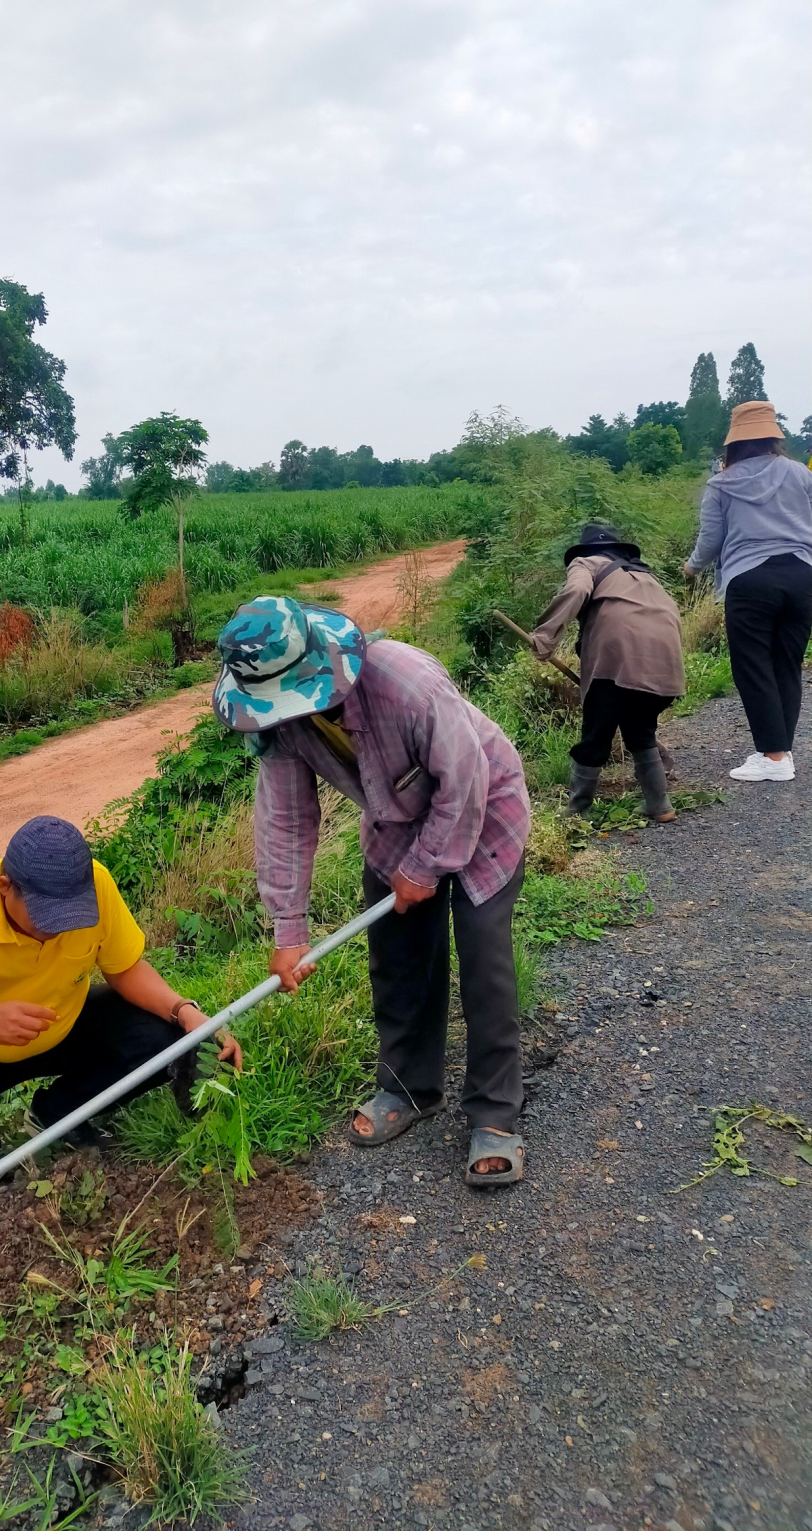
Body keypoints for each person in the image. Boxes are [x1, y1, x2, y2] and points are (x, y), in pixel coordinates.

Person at [212, 596, 531, 1187]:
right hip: (396, 824)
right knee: (397, 956)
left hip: (484, 810)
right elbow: (286, 820)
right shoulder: (281, 726)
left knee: (483, 957)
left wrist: (427, 867)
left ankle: (494, 1113)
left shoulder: (406, 684)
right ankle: (409, 1088)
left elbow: (465, 781)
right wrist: (289, 929)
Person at [0, 815, 241, 1218]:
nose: (60, 930)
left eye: (71, 917)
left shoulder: (95, 884)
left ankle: (58, 1114)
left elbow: (124, 968)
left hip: (66, 1025)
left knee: (165, 1035)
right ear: (5, 888)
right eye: (47, 919)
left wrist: (185, 1012)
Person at [684, 401, 812, 782]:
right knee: (786, 664)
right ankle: (779, 753)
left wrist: (692, 567)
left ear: (734, 442)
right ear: (773, 436)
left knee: (753, 666)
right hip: (802, 576)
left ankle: (772, 757)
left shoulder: (723, 482)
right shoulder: (801, 475)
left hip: (751, 579)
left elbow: (711, 539)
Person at [528, 524, 685, 821]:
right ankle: (659, 804)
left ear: (586, 550)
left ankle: (577, 811)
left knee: (596, 734)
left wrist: (545, 636)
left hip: (618, 657)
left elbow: (576, 589)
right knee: (641, 730)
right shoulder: (644, 573)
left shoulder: (585, 562)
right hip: (666, 663)